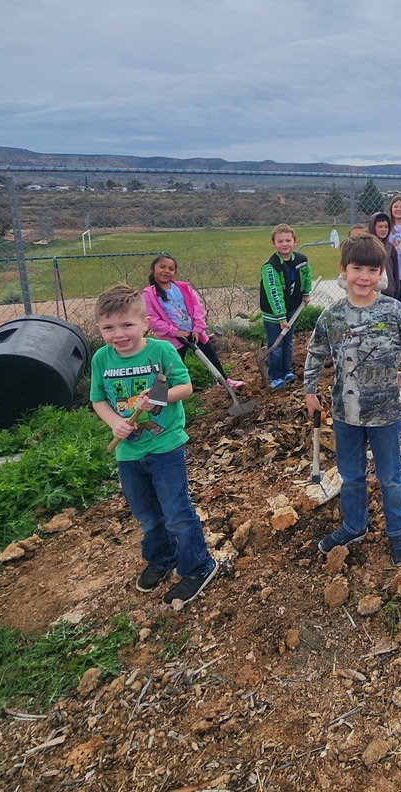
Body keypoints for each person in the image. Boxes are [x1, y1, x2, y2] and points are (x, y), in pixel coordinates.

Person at [303, 235, 401, 567]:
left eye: (372, 270)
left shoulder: (392, 310)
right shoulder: (333, 315)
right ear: (343, 271)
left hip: (385, 413)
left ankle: (397, 531)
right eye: (357, 268)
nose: (364, 277)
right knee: (351, 475)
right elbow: (315, 352)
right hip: (345, 412)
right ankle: (354, 525)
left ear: (382, 273)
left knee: (390, 476)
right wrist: (309, 391)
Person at [90, 283, 218, 606]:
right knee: (146, 512)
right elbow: (98, 400)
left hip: (165, 445)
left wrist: (157, 397)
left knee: (176, 509)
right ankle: (162, 557)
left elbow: (185, 386)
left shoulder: (162, 351)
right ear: (99, 328)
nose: (119, 334)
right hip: (128, 450)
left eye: (127, 325)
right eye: (109, 327)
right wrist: (113, 421)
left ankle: (198, 565)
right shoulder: (102, 359)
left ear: (144, 323)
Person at [142, 255, 244, 389]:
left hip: (195, 332)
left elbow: (197, 307)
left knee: (211, 356)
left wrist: (198, 328)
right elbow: (152, 319)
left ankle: (224, 381)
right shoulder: (148, 294)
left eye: (171, 269)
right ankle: (177, 388)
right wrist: (175, 332)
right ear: (153, 269)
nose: (166, 271)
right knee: (176, 364)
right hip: (173, 337)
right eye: (162, 267)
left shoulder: (183, 288)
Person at [259, 224, 312, 389]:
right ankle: (275, 375)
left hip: (292, 308)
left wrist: (306, 293)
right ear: (273, 244)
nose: (284, 244)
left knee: (288, 341)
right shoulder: (271, 266)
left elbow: (307, 276)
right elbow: (274, 292)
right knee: (276, 344)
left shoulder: (302, 260)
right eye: (280, 241)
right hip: (274, 313)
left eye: (288, 240)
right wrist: (281, 317)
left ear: (294, 241)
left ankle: (287, 370)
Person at [367, 211, 400, 297]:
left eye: (386, 227)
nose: (383, 229)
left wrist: (396, 287)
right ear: (373, 227)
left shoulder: (390, 247)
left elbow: (395, 270)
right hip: (373, 291)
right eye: (380, 227)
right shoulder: (367, 246)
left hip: (389, 291)